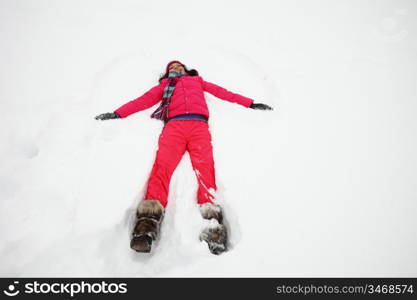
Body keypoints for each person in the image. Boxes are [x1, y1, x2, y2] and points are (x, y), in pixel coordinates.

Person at [95, 60, 272, 255]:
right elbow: (143, 100)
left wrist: (250, 103)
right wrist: (118, 113)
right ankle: (147, 224)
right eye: (171, 68)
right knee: (162, 168)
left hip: (199, 127)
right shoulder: (164, 86)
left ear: (186, 69)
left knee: (205, 170)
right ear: (167, 73)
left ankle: (212, 226)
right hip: (174, 127)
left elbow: (223, 92)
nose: (175, 69)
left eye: (178, 66)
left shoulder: (198, 81)